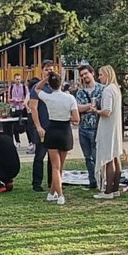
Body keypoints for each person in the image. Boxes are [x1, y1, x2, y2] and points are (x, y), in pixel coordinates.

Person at [34, 71, 80, 205]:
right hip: (65, 131)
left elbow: (37, 88)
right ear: (61, 83)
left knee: (55, 166)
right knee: (60, 167)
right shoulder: (70, 98)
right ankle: (59, 194)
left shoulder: (48, 97)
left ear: (50, 84)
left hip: (52, 130)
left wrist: (44, 79)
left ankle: (53, 193)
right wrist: (67, 117)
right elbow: (76, 119)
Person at [94, 65, 124, 199]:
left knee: (108, 157)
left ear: (107, 74)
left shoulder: (107, 90)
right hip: (115, 127)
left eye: (100, 75)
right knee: (116, 156)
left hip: (108, 128)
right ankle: (115, 188)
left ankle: (108, 191)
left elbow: (107, 111)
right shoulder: (116, 89)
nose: (99, 77)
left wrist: (95, 110)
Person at [26, 61, 57, 192]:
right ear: (42, 71)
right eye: (46, 70)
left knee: (53, 157)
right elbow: (33, 108)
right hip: (41, 127)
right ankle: (36, 183)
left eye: (51, 70)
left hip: (54, 127)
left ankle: (52, 182)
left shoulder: (56, 88)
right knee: (39, 156)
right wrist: (38, 126)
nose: (49, 72)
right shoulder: (37, 89)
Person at [74, 65, 104, 191]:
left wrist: (88, 108)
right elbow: (77, 108)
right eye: (82, 75)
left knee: (97, 156)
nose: (84, 76)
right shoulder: (80, 92)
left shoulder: (102, 89)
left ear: (92, 73)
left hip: (98, 127)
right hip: (83, 128)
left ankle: (100, 180)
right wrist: (90, 106)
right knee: (88, 157)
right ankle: (92, 180)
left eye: (86, 73)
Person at [7, 74, 31, 149]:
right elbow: (8, 99)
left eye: (19, 79)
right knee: (14, 126)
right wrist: (13, 100)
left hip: (22, 107)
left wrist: (22, 101)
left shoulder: (24, 87)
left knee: (26, 125)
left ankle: (30, 142)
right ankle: (17, 142)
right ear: (14, 79)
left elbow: (27, 98)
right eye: (17, 79)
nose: (18, 80)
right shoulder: (10, 88)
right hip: (14, 108)